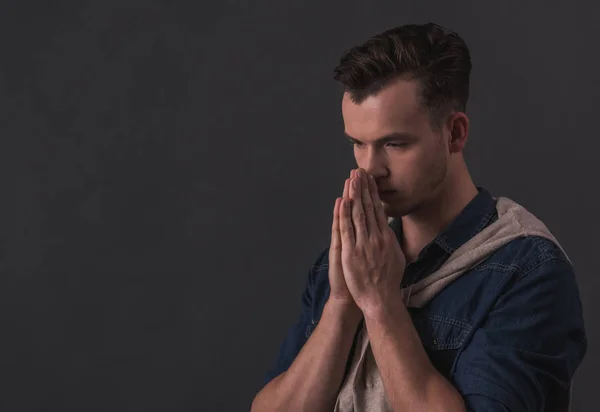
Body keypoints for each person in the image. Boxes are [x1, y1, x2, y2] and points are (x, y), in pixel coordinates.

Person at [251, 22, 587, 412]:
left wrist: (380, 305)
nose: (369, 169)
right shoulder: (350, 262)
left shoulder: (527, 271)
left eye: (394, 144)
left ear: (455, 134)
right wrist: (343, 303)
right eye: (357, 144)